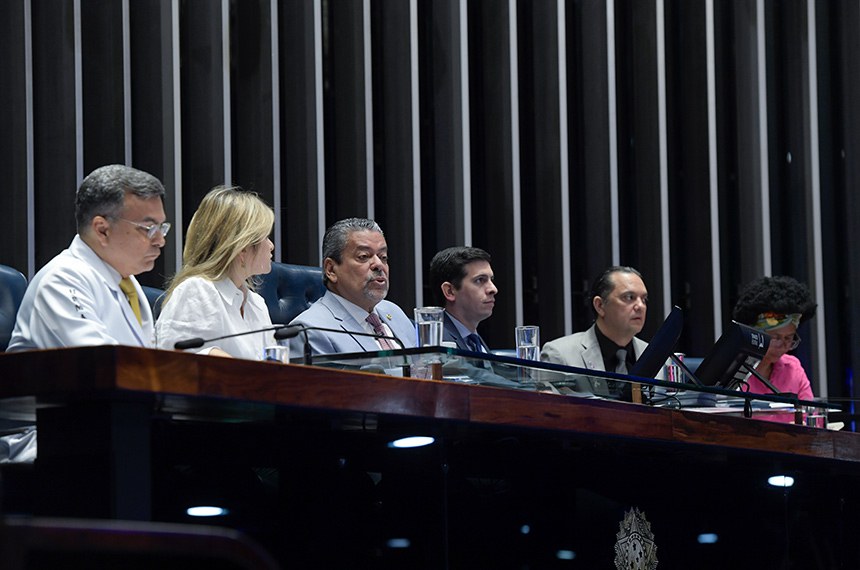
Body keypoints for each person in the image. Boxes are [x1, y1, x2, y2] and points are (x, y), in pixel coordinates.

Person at [8, 164, 168, 351]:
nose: (160, 241)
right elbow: (101, 362)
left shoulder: (126, 283)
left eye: (162, 228)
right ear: (102, 230)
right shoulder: (61, 280)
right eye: (149, 229)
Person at [156, 187, 276, 360]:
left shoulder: (256, 304)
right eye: (265, 237)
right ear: (242, 248)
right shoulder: (197, 291)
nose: (271, 245)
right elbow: (179, 363)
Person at [287, 218, 415, 356]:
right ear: (331, 269)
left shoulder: (394, 312)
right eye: (364, 256)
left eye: (383, 257)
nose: (379, 264)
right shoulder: (309, 331)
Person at [541, 266, 650, 399]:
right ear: (600, 305)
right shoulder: (559, 355)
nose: (640, 306)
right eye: (629, 297)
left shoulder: (659, 359)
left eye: (644, 299)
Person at [731, 275, 816, 400]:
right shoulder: (731, 373)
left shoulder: (792, 368)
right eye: (775, 337)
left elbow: (810, 415)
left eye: (789, 338)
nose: (782, 346)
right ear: (754, 334)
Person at [428, 246, 497, 353]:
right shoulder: (436, 342)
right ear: (449, 291)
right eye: (480, 280)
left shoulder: (475, 342)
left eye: (491, 280)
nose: (493, 289)